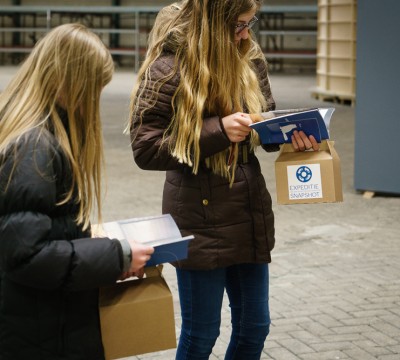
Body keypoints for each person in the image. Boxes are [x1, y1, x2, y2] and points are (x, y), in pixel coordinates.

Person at [128, 1, 319, 359]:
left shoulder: (249, 58)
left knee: (255, 328)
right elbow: (146, 148)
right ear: (213, 23)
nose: (246, 34)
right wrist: (217, 131)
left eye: (251, 23)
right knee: (201, 333)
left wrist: (290, 135)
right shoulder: (168, 69)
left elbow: (264, 121)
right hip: (199, 219)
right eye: (238, 25)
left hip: (247, 212)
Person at [0, 23, 154, 360]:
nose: (93, 101)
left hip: (47, 324)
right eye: (93, 88)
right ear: (68, 82)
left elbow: (41, 233)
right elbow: (27, 256)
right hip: (42, 334)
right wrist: (116, 257)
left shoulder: (41, 135)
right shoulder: (34, 148)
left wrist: (93, 242)